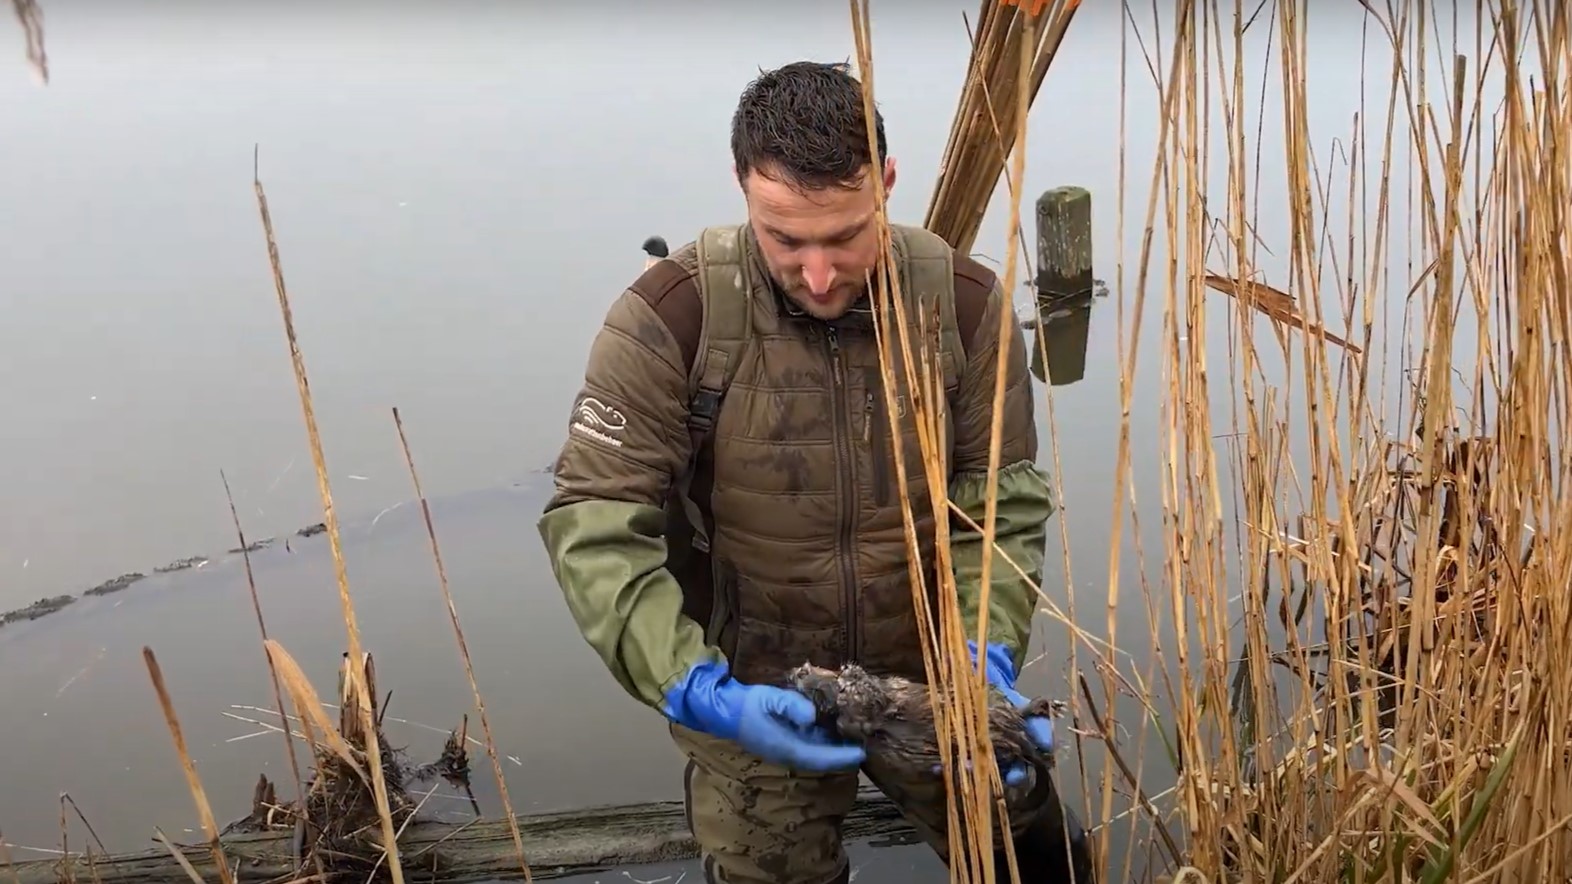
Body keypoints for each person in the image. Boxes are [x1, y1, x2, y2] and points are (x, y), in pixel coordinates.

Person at [538, 60, 1093, 884]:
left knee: (1035, 858)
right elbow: (596, 524)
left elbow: (999, 512)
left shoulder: (967, 307)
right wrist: (693, 685)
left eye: (844, 236)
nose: (820, 274)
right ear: (742, 187)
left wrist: (985, 656)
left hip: (930, 677)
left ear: (887, 184)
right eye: (786, 240)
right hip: (753, 678)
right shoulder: (670, 318)